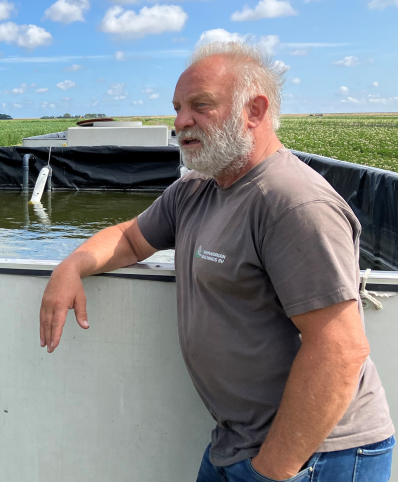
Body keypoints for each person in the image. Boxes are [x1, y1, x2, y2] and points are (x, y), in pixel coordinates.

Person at [38, 42, 394, 481]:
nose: (180, 121)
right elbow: (130, 239)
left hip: (316, 456)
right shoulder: (196, 190)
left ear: (255, 110)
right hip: (238, 446)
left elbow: (340, 348)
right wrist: (71, 266)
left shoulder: (292, 202)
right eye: (177, 107)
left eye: (200, 106)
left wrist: (273, 470)